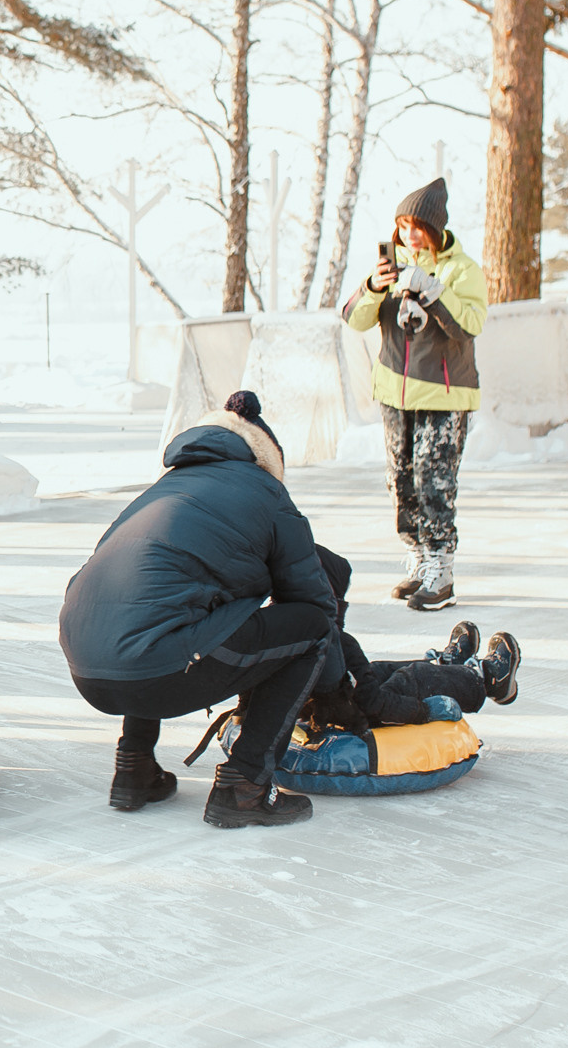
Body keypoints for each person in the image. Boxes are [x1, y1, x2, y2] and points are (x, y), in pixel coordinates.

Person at [59, 391, 343, 828]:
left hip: (87, 669)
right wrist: (331, 687)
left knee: (160, 615)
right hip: (157, 671)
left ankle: (134, 767)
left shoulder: (161, 489)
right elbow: (313, 604)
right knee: (311, 629)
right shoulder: (266, 491)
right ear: (266, 458)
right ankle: (243, 786)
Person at [341, 178, 488, 612]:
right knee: (400, 481)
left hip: (444, 395)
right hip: (394, 393)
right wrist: (372, 285)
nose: (409, 235)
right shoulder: (391, 267)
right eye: (403, 226)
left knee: (433, 480)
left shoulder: (462, 270)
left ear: (437, 228)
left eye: (418, 226)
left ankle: (441, 569)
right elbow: (353, 319)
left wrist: (435, 293)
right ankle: (418, 558)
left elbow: (471, 326)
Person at [303, 548, 522, 734]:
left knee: (377, 670)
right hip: (354, 717)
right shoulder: (338, 641)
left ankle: (448, 668)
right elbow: (374, 705)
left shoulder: (294, 631)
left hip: (326, 707)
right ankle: (487, 680)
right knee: (414, 678)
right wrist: (422, 711)